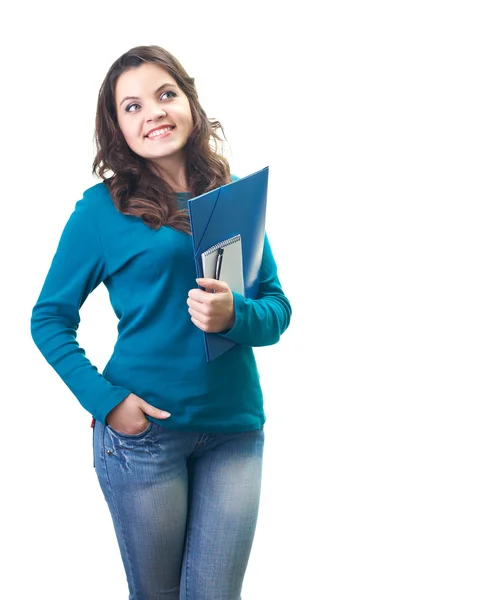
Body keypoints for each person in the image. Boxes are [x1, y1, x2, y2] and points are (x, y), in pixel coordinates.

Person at [30, 45, 291, 600]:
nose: (153, 112)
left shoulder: (231, 195)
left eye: (165, 94)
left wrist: (234, 314)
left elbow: (276, 310)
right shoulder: (102, 210)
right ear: (116, 127)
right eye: (132, 106)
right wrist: (106, 403)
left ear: (189, 104)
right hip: (145, 438)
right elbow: (49, 317)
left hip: (235, 432)